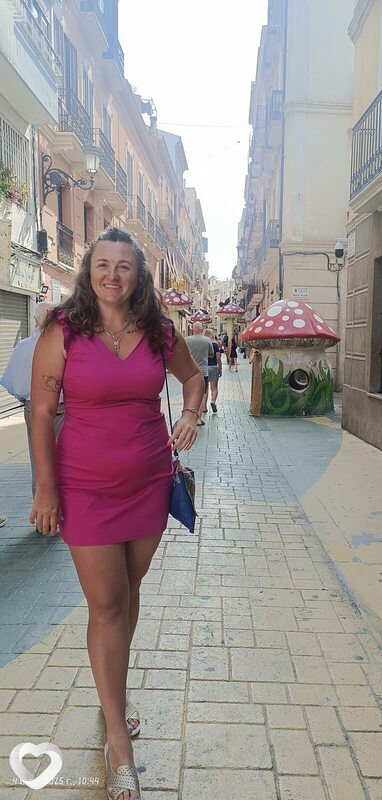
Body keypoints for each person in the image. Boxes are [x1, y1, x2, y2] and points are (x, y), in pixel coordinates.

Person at [28, 227, 204, 800]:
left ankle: (114, 698)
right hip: (84, 487)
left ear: (138, 276)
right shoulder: (63, 330)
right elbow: (41, 412)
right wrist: (46, 489)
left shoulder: (158, 331)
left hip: (148, 484)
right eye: (102, 264)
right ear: (89, 271)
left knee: (127, 592)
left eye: (124, 266)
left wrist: (191, 414)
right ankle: (118, 743)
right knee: (106, 603)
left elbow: (193, 378)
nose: (112, 275)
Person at [0, 301, 64, 501]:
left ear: (36, 320)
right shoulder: (67, 345)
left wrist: (27, 399)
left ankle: (42, 511)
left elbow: (13, 384)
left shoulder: (25, 346)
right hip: (67, 409)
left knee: (39, 460)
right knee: (67, 460)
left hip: (33, 407)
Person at [185, 322, 214, 425]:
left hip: (190, 372)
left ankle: (188, 418)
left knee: (189, 395)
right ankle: (198, 419)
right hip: (203, 372)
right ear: (201, 330)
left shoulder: (187, 340)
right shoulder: (207, 340)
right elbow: (211, 354)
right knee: (201, 396)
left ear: (192, 329)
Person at [205, 329, 222, 413]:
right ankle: (213, 401)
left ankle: (204, 407)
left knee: (205, 389)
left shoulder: (203, 344)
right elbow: (218, 358)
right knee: (214, 388)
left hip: (204, 368)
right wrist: (220, 368)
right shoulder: (215, 345)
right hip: (213, 367)